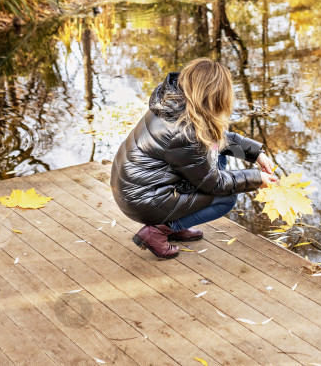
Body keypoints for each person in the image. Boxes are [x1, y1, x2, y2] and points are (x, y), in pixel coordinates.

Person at [110, 58, 278, 259]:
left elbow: (218, 140)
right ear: (213, 97)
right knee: (226, 199)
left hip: (138, 188)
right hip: (144, 199)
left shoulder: (174, 103)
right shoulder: (184, 133)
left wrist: (256, 154)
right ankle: (160, 230)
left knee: (218, 155)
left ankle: (176, 222)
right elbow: (214, 183)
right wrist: (256, 179)